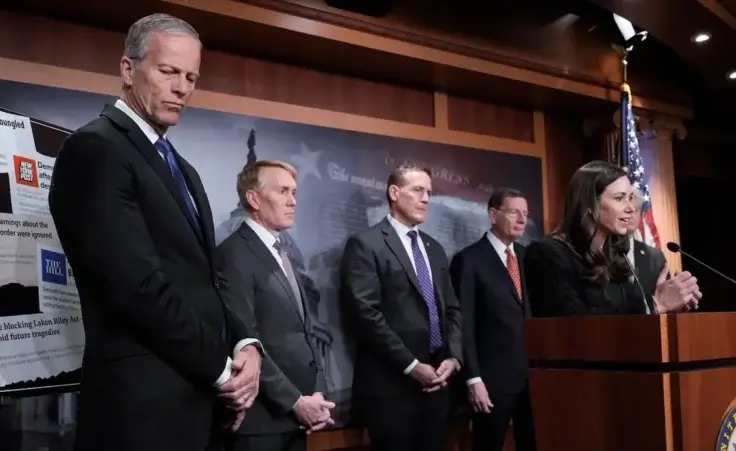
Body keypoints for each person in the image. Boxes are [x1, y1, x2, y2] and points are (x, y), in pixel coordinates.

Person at [48, 14, 262, 451]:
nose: (182, 87)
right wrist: (224, 373)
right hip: (139, 413)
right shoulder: (95, 150)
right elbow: (136, 288)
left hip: (200, 406)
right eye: (168, 71)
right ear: (128, 69)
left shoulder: (183, 169)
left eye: (191, 77)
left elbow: (208, 279)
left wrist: (246, 343)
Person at [339, 164, 463, 451]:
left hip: (438, 386)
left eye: (429, 193)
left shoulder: (434, 248)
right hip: (391, 389)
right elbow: (365, 315)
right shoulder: (365, 245)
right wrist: (411, 365)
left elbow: (453, 310)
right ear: (394, 193)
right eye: (418, 190)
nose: (426, 199)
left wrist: (454, 358)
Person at [216, 160, 335, 451]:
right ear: (253, 198)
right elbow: (244, 336)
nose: (292, 201)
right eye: (283, 191)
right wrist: (295, 401)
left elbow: (305, 332)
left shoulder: (283, 252)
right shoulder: (232, 254)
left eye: (294, 192)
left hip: (297, 419)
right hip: (260, 426)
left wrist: (315, 395)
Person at [524, 160, 701, 316]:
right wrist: (657, 305)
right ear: (589, 204)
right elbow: (574, 328)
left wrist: (671, 303)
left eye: (631, 198)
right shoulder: (547, 254)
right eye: (619, 198)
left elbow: (633, 317)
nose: (631, 208)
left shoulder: (617, 256)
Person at [450, 188, 536, 451]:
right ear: (493, 214)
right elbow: (462, 325)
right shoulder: (469, 260)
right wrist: (473, 379)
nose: (522, 219)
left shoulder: (528, 257)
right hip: (491, 381)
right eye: (514, 212)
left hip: (531, 379)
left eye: (525, 214)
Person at [626, 189, 668, 311]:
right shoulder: (601, 252)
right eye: (628, 208)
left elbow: (667, 300)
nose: (631, 213)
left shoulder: (655, 257)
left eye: (636, 209)